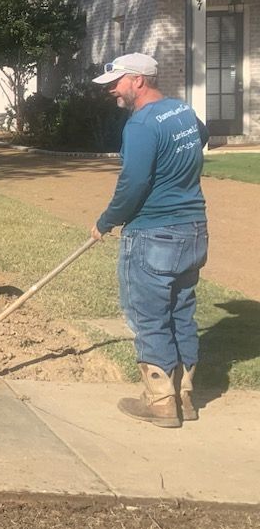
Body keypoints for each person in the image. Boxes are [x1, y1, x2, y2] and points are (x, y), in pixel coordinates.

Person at [90, 53, 208, 428]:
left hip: (152, 233)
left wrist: (106, 221)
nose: (111, 90)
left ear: (139, 80)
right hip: (193, 231)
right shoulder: (182, 111)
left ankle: (159, 402)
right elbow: (201, 139)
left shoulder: (140, 125)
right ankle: (185, 397)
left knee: (149, 316)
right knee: (182, 311)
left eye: (117, 81)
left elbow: (134, 184)